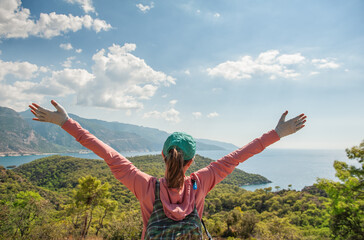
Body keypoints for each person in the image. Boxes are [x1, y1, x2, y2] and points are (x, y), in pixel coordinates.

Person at [29, 100, 306, 239]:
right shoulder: (203, 181)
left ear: (162, 156)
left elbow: (108, 154)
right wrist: (277, 133)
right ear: (192, 162)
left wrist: (66, 122)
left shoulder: (145, 185)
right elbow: (238, 156)